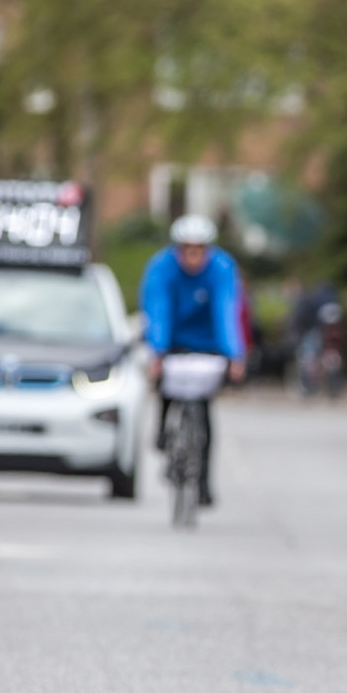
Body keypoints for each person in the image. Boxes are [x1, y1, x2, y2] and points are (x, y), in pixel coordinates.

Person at [139, 214, 247, 506]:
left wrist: (234, 354)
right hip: (174, 338)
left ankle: (203, 482)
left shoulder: (222, 268)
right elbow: (158, 310)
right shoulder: (161, 268)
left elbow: (227, 310)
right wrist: (157, 352)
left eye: (199, 250)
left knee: (203, 407)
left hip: (208, 341)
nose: (193, 257)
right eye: (187, 250)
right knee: (167, 384)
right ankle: (163, 432)